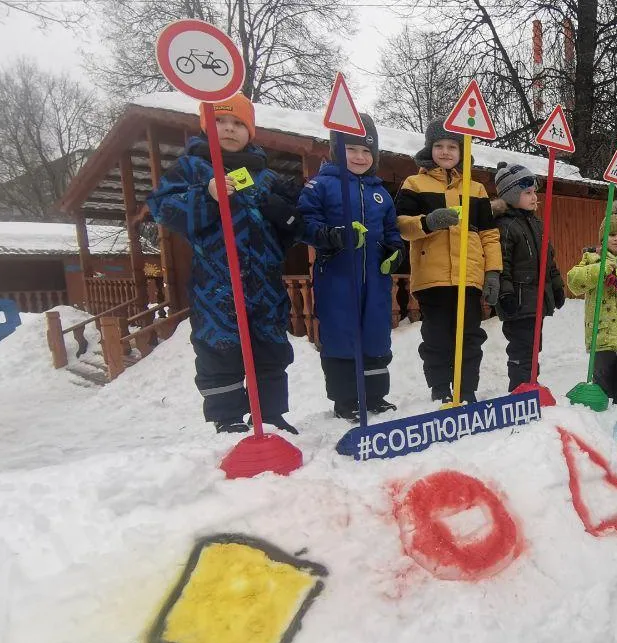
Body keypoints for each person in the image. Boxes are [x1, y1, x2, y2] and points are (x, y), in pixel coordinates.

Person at [147, 93, 301, 435]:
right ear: (207, 126)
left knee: (271, 349)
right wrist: (206, 195)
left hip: (264, 284)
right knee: (219, 348)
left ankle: (271, 415)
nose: (229, 129)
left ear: (250, 131)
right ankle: (227, 418)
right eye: (221, 122)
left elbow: (294, 224)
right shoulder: (192, 168)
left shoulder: (266, 176)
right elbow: (163, 208)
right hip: (217, 284)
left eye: (238, 124)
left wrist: (286, 216)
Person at [297, 114, 402, 421]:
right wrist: (333, 236)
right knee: (342, 335)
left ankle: (375, 395)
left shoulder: (380, 193)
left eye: (366, 151)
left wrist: (396, 251)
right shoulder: (320, 186)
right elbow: (306, 224)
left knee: (375, 334)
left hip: (376, 279)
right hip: (338, 277)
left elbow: (392, 230)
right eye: (352, 149)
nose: (359, 157)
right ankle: (346, 400)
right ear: (335, 150)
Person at [394, 119, 502, 404]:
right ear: (429, 149)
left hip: (469, 277)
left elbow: (490, 235)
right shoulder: (414, 183)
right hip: (433, 278)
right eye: (439, 146)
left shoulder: (476, 188)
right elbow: (402, 226)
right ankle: (441, 389)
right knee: (437, 337)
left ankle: (466, 390)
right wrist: (427, 222)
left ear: (462, 151)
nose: (445, 152)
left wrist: (493, 272)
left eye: (452, 146)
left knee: (470, 337)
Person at [491, 162, 566, 392]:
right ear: (512, 196)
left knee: (534, 346)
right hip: (519, 300)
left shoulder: (536, 224)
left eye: (535, 192)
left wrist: (556, 286)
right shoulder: (505, 226)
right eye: (528, 193)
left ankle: (531, 382)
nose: (535, 197)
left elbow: (548, 260)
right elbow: (502, 263)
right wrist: (505, 293)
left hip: (537, 299)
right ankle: (519, 387)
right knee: (521, 346)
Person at [566, 201, 617, 406]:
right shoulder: (592, 259)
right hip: (601, 337)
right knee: (601, 390)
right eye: (612, 235)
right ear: (603, 237)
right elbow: (574, 282)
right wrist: (600, 270)